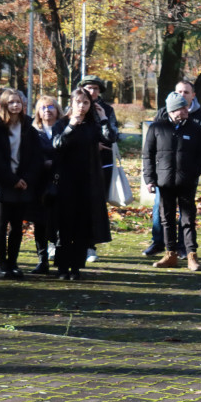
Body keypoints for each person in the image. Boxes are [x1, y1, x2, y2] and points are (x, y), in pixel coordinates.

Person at [143, 92, 201, 271]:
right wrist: (150, 179)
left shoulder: (195, 129)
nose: (186, 110)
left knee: (188, 219)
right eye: (182, 108)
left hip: (187, 182)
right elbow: (147, 155)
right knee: (166, 219)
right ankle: (170, 254)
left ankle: (192, 255)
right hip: (164, 182)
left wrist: (195, 171)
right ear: (172, 110)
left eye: (186, 107)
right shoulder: (156, 128)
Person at [49, 88, 112, 280]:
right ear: (72, 103)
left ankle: (76, 267)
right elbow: (57, 144)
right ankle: (62, 267)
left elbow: (110, 138)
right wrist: (71, 126)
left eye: (86, 103)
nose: (82, 106)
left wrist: (104, 119)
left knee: (82, 226)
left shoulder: (93, 125)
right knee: (65, 225)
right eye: (78, 102)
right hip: (65, 180)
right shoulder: (62, 123)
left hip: (88, 181)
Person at [0, 89, 44, 278]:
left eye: (18, 102)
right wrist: (12, 180)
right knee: (1, 222)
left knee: (17, 225)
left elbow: (37, 157)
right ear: (4, 105)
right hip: (0, 182)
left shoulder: (29, 126)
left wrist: (26, 179)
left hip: (24, 182)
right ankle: (1, 265)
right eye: (11, 102)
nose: (15, 105)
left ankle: (13, 263)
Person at [78, 76, 120, 263]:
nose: (92, 91)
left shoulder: (107, 110)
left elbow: (113, 135)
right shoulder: (75, 107)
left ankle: (90, 245)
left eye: (95, 88)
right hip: (78, 163)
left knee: (96, 205)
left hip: (102, 164)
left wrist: (103, 119)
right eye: (89, 88)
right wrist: (91, 145)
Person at [29, 96, 61, 273]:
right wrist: (42, 163)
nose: (47, 110)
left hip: (61, 180)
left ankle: (60, 257)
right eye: (43, 107)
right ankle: (42, 260)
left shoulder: (63, 128)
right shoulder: (32, 131)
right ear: (38, 112)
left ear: (57, 110)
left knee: (59, 220)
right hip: (39, 182)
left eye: (51, 107)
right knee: (40, 222)